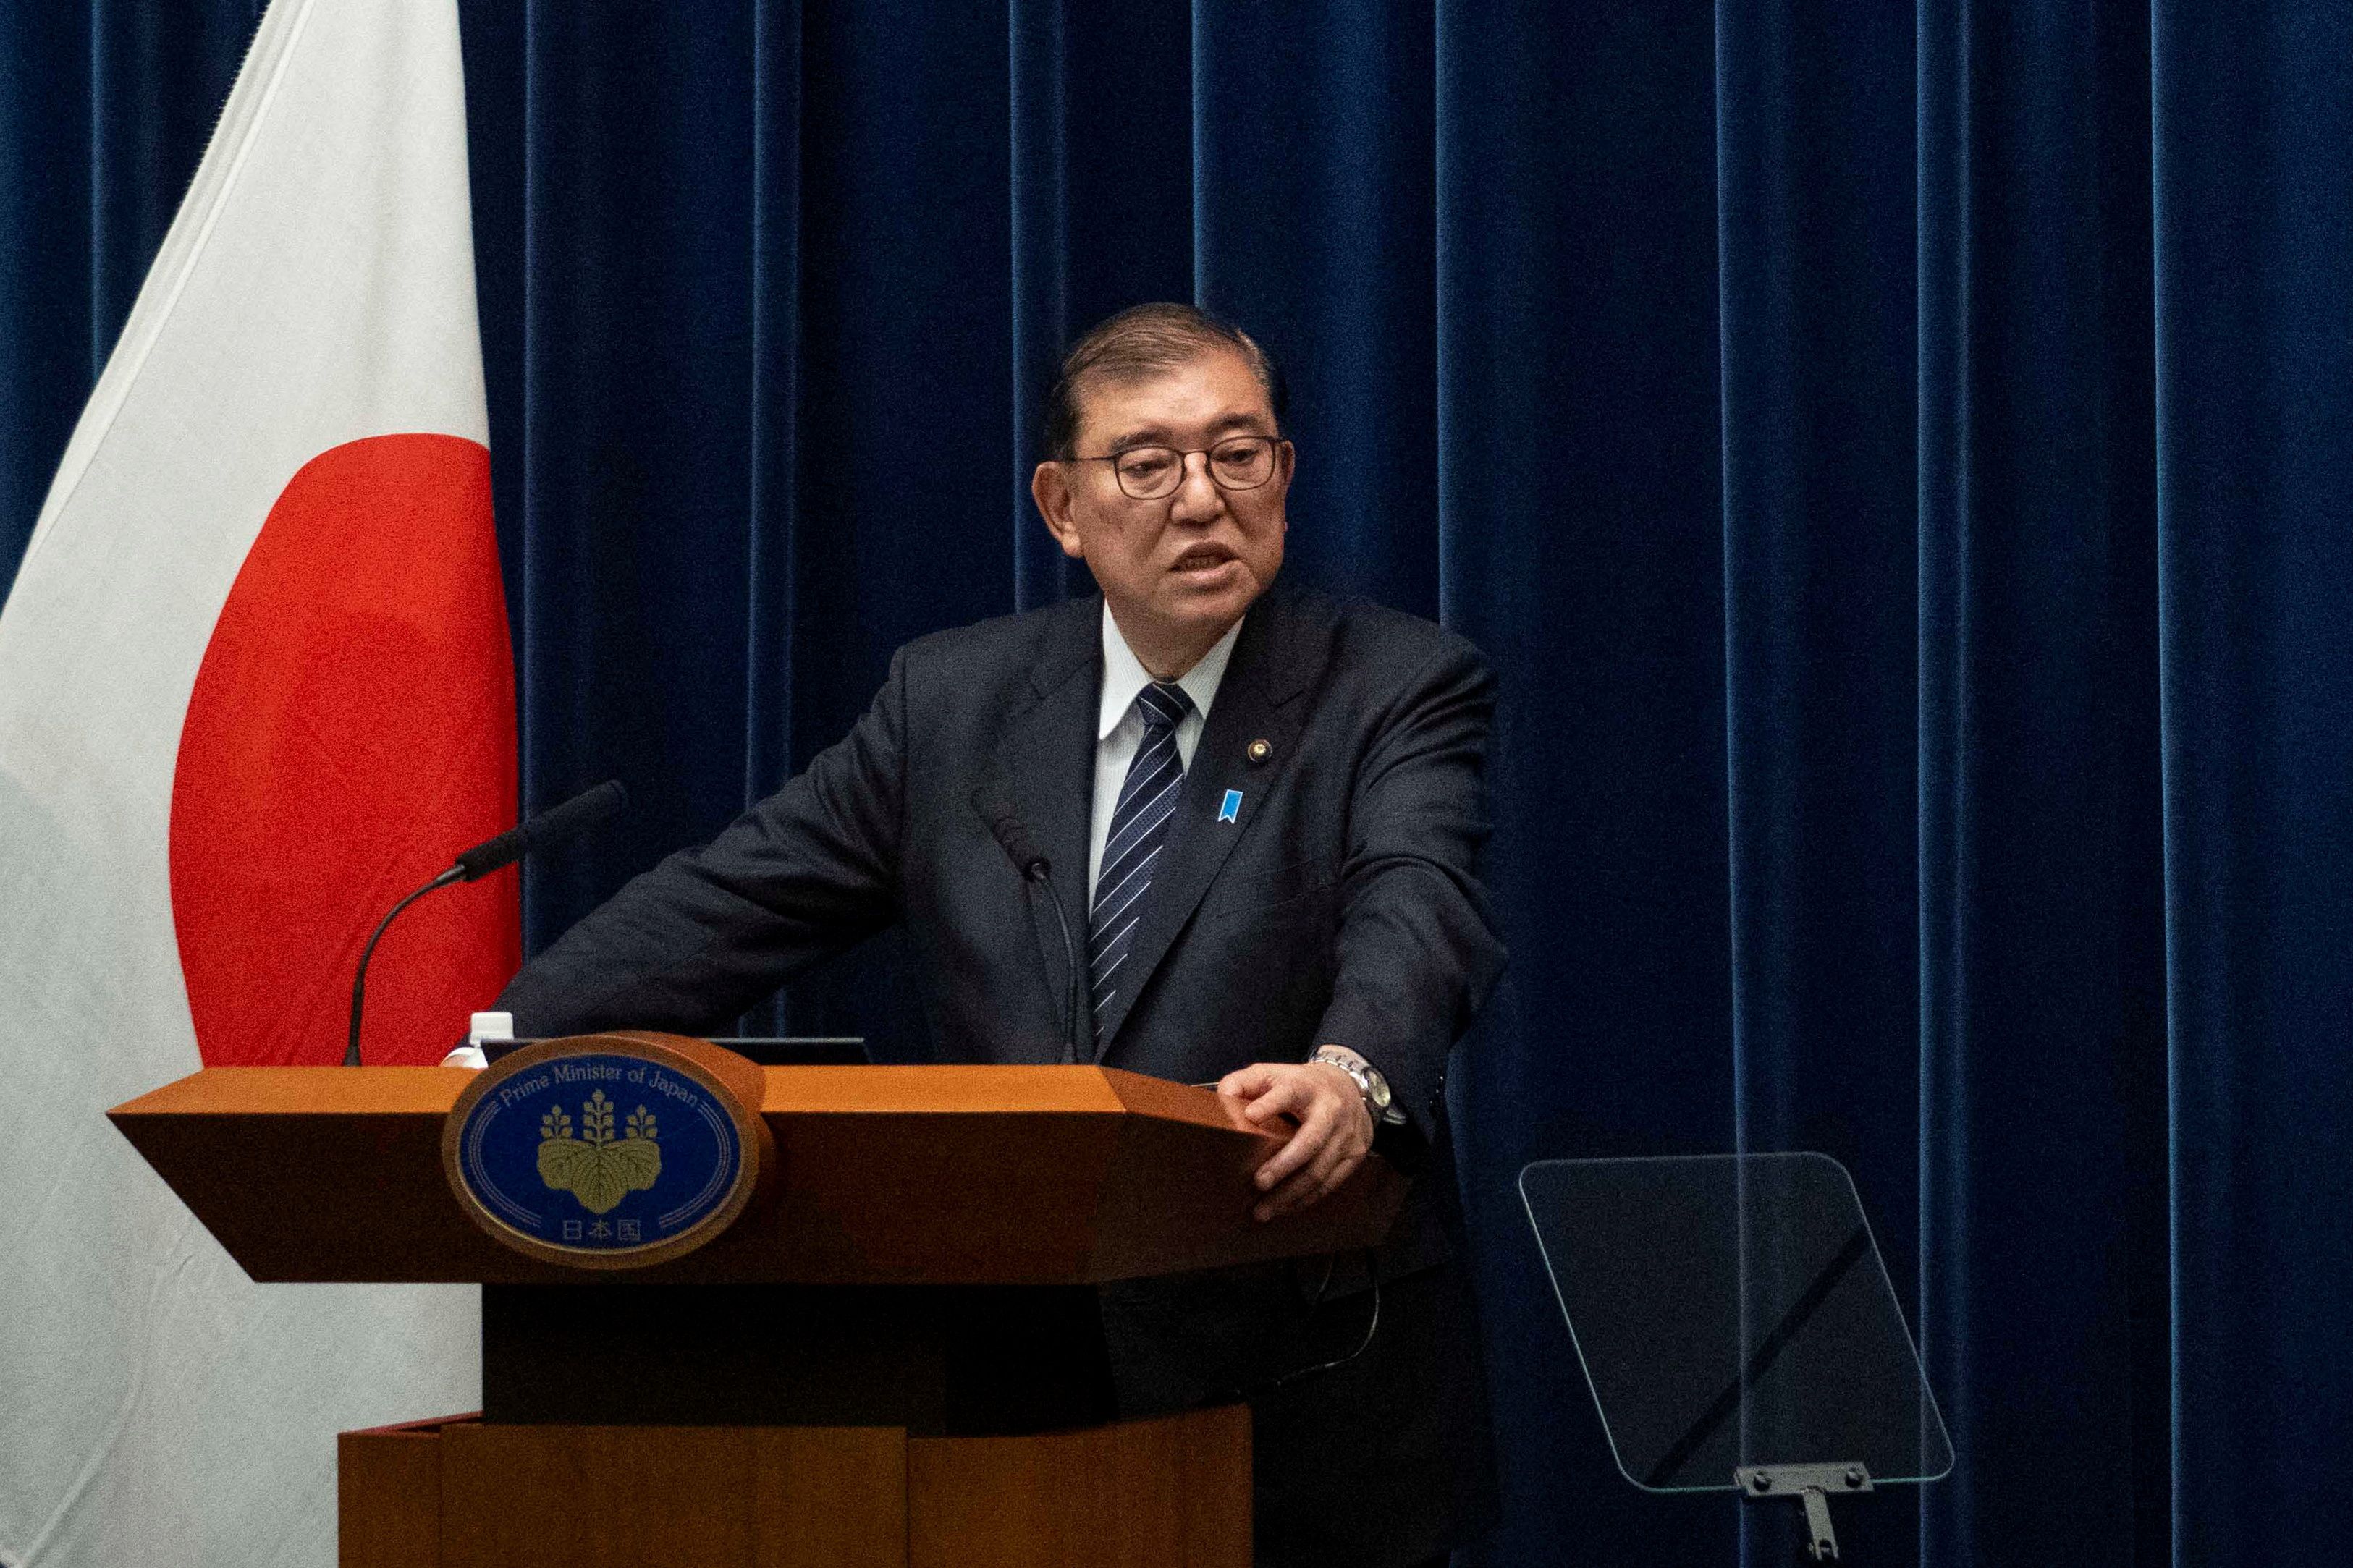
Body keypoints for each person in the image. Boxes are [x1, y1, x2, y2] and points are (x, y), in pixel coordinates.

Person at [491, 302, 1504, 1567]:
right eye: (1148, 463)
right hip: (1009, 1393)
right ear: (1063, 507)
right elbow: (733, 901)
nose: (1202, 499)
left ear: (1283, 473)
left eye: (1239, 454)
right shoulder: (952, 704)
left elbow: (1417, 905)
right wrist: (499, 1045)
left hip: (1299, 1389)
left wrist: (1354, 1074)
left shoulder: (1393, 685)